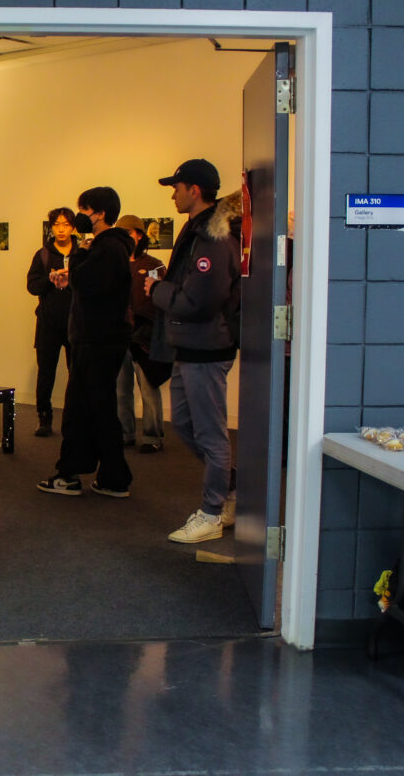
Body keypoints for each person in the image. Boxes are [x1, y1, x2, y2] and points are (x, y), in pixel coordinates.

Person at [144, 159, 241, 543]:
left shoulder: (214, 238)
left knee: (211, 435)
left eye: (177, 187)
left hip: (207, 347)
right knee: (184, 425)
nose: (173, 193)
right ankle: (232, 491)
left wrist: (156, 290)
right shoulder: (199, 231)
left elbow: (196, 302)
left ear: (194, 190)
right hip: (189, 347)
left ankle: (213, 513)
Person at [37, 187, 134, 498]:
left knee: (80, 409)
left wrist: (78, 253)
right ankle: (113, 476)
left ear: (99, 213)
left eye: (84, 210)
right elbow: (91, 283)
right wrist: (73, 278)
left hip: (96, 340)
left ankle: (69, 474)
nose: (79, 217)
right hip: (103, 339)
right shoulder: (113, 247)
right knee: (102, 409)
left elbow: (92, 283)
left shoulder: (107, 247)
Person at [114, 214, 168, 452]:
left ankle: (152, 435)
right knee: (120, 387)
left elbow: (159, 300)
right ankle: (125, 433)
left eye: (129, 233)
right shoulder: (113, 264)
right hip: (118, 333)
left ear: (139, 235)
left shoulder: (154, 265)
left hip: (145, 335)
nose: (125, 238)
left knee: (148, 387)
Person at [26, 207, 78, 436]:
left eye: (66, 224)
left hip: (76, 322)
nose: (61, 229)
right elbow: (31, 286)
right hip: (48, 323)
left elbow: (92, 283)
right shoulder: (43, 255)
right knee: (46, 371)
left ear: (73, 227)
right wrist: (49, 278)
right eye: (57, 224)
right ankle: (44, 417)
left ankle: (74, 417)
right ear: (51, 227)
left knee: (76, 372)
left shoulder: (82, 253)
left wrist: (71, 278)